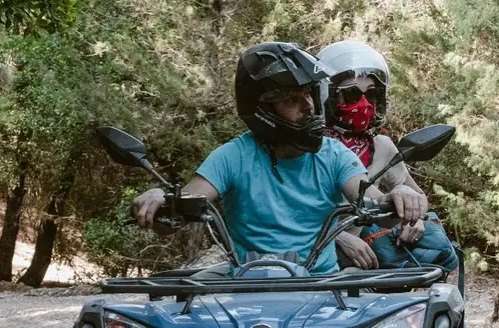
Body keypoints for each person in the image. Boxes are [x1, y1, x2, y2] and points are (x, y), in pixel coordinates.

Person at [132, 41, 427, 274]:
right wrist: (161, 201)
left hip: (322, 288)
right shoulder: (233, 156)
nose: (308, 106)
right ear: (262, 109)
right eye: (291, 99)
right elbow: (179, 212)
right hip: (249, 287)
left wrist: (398, 196)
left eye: (309, 94)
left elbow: (369, 198)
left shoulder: (334, 154)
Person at [316, 40, 455, 272]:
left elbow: (416, 196)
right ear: (326, 96)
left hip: (357, 264)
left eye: (371, 94)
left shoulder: (381, 147)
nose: (363, 104)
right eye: (351, 94)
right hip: (308, 259)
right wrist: (337, 237)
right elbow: (286, 213)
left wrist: (413, 216)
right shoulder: (310, 148)